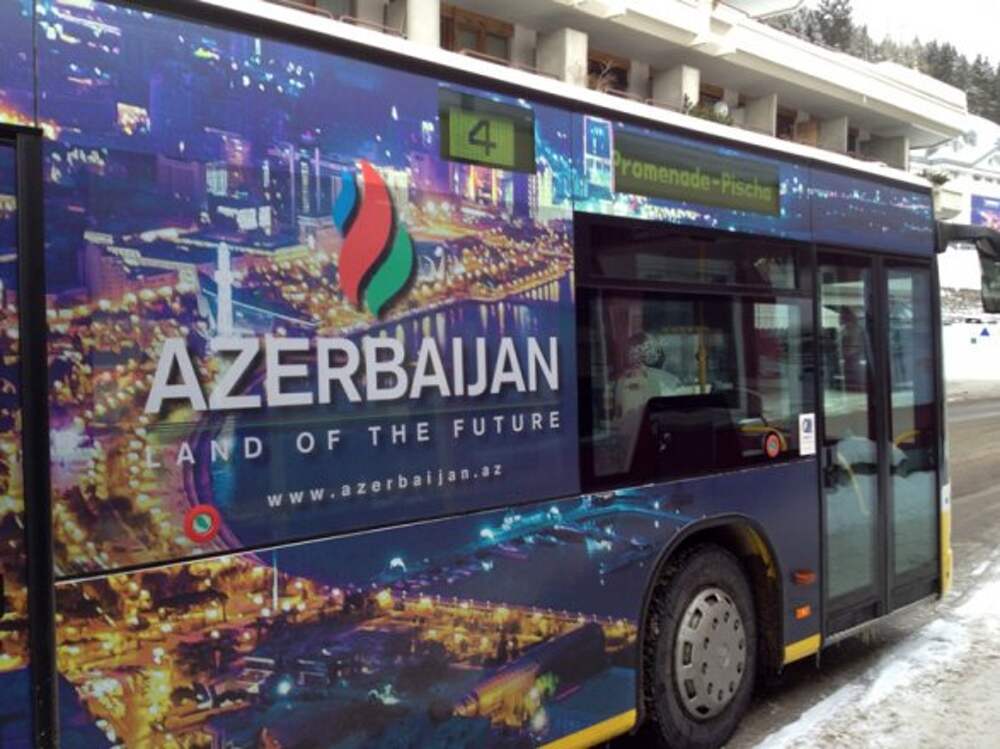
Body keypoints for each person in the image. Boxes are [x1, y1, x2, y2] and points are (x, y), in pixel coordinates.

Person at [612, 333, 681, 473]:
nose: (636, 356)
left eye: (640, 351)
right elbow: (618, 413)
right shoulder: (621, 381)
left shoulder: (661, 379)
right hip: (632, 438)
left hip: (649, 437)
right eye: (633, 352)